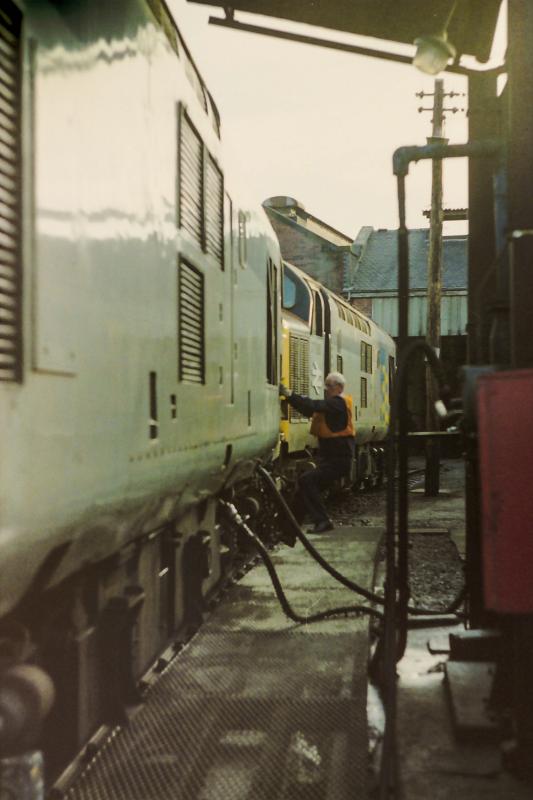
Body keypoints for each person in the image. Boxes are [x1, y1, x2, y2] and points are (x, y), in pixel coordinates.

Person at [279, 372, 355, 533]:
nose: (326, 389)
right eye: (325, 386)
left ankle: (323, 521)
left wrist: (290, 394)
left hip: (338, 460)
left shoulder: (338, 403)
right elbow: (308, 409)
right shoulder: (331, 406)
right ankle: (288, 531)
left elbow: (314, 405)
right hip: (331, 459)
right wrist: (290, 399)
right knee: (304, 488)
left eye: (330, 386)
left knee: (307, 481)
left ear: (339, 387)